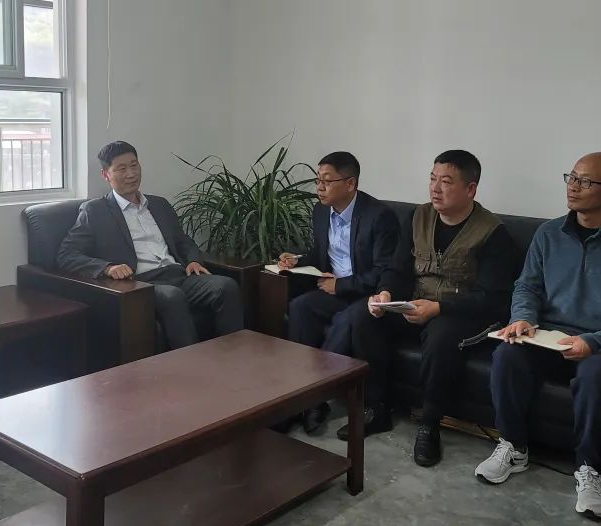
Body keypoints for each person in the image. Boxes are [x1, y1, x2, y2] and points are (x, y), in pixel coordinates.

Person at [474, 152, 601, 521]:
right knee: (507, 355)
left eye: (586, 181)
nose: (574, 187)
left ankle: (590, 470)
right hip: (547, 335)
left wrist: (595, 341)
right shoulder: (548, 234)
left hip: (600, 343)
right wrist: (523, 319)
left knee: (596, 379)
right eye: (571, 177)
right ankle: (513, 447)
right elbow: (527, 286)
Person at [339, 150, 517, 466]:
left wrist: (438, 308)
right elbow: (397, 268)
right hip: (415, 302)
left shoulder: (493, 233)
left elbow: (492, 298)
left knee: (441, 337)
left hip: (461, 313)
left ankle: (430, 424)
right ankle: (377, 408)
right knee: (362, 316)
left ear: (470, 189)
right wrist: (385, 293)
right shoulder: (418, 216)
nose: (435, 188)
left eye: (446, 182)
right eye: (432, 179)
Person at [57, 141, 244, 348]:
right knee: (172, 296)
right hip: (142, 284)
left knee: (226, 286)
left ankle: (234, 356)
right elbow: (67, 255)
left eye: (134, 165)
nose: (131, 174)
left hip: (179, 275)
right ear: (106, 174)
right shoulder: (94, 211)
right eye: (121, 169)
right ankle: (190, 363)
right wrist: (107, 268)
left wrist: (193, 260)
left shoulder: (159, 204)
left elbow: (182, 240)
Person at [275, 151, 398, 434]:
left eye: (327, 181)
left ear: (350, 183)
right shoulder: (321, 212)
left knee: (347, 320)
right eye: (317, 180)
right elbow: (321, 254)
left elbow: (383, 271)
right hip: (335, 290)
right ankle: (299, 393)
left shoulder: (380, 217)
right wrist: (297, 260)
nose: (319, 188)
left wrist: (341, 285)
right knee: (300, 307)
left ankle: (313, 398)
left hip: (369, 296)